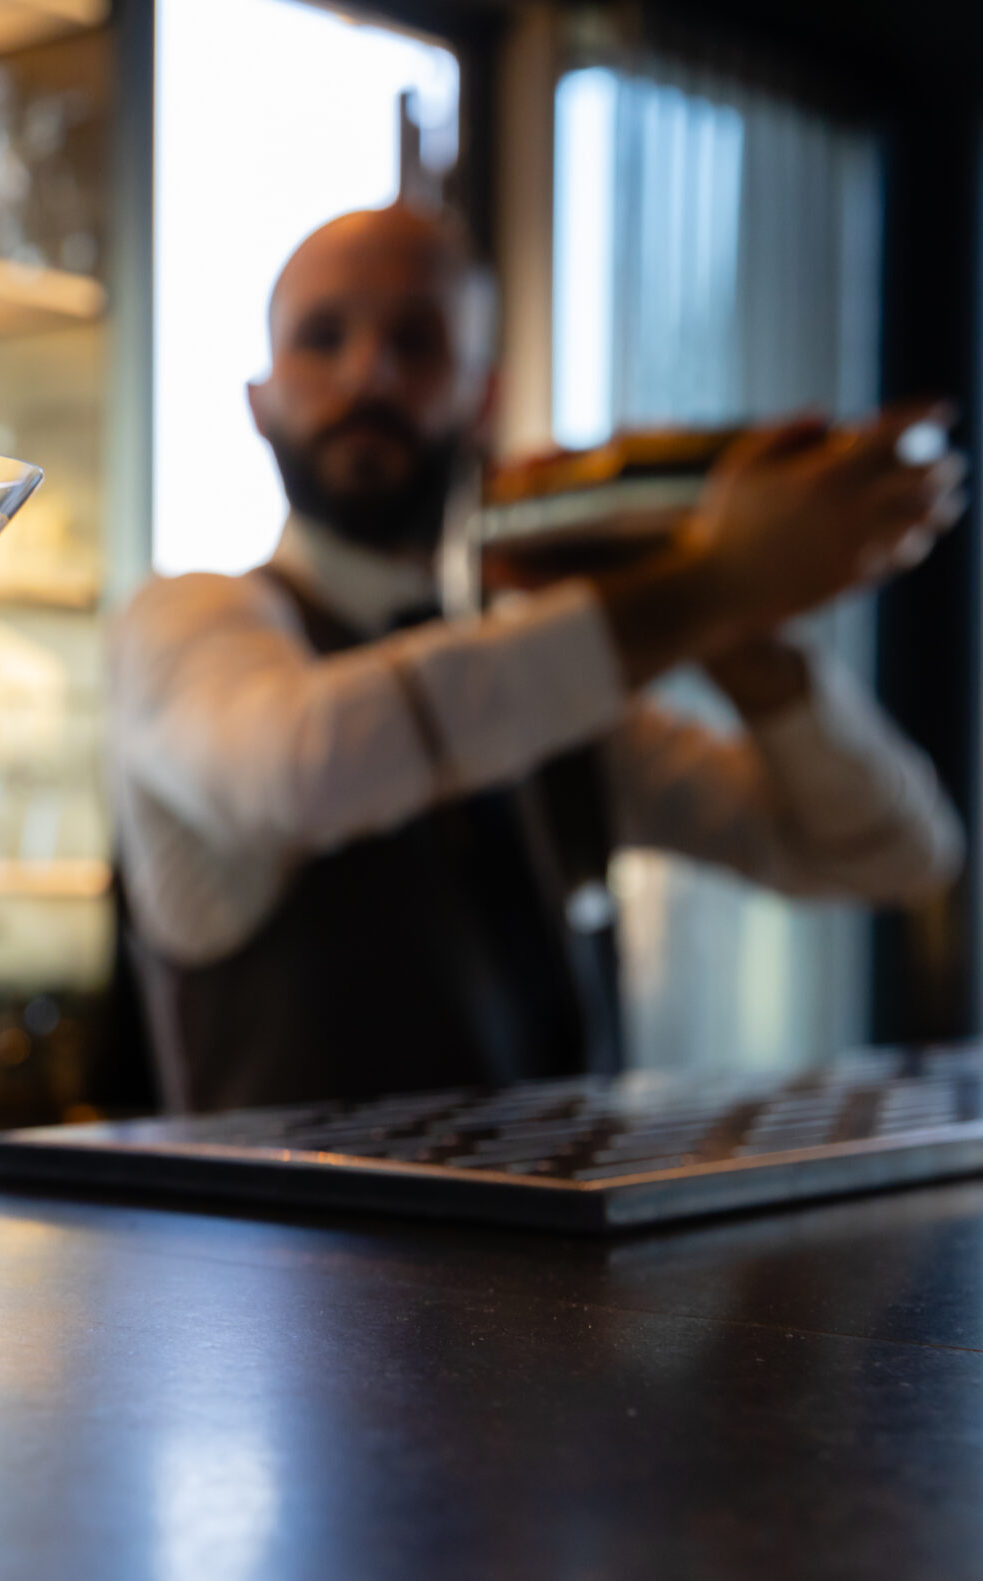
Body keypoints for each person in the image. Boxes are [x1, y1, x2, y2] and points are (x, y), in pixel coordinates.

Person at [109, 203, 967, 1113]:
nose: (368, 373)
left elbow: (898, 855)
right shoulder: (183, 620)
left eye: (416, 341)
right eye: (322, 339)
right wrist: (705, 587)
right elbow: (299, 770)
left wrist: (744, 640)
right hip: (279, 1218)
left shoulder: (552, 689)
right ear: (261, 399)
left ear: (482, 399)